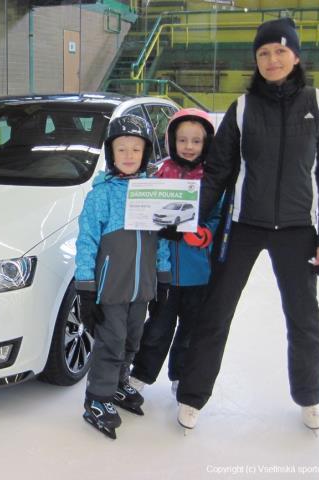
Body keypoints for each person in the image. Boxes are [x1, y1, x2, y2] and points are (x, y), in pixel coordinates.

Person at [175, 17, 319, 432]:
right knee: (216, 312)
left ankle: (308, 396)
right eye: (264, 53)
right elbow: (217, 172)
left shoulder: (318, 104)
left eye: (280, 51)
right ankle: (193, 396)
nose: (272, 59)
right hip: (244, 226)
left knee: (304, 318)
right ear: (256, 59)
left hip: (297, 229)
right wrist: (186, 218)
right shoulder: (243, 107)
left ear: (296, 55)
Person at [75, 114, 171, 439]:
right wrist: (86, 289)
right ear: (111, 153)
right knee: (110, 343)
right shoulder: (100, 195)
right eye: (121, 149)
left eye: (136, 149)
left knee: (132, 340)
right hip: (111, 288)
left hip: (142, 286)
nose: (129, 155)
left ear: (146, 153)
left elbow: (160, 241)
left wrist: (164, 277)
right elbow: (86, 242)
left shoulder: (153, 193)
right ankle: (97, 399)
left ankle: (118, 383)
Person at [128, 108, 220, 398]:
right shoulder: (158, 173)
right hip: (163, 272)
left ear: (206, 143)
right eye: (182, 140)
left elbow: (219, 217)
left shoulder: (213, 178)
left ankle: (182, 375)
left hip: (199, 273)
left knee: (190, 331)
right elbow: (142, 212)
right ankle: (141, 374)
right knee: (157, 327)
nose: (189, 147)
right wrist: (156, 230)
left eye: (196, 141)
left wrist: (203, 234)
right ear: (171, 141)